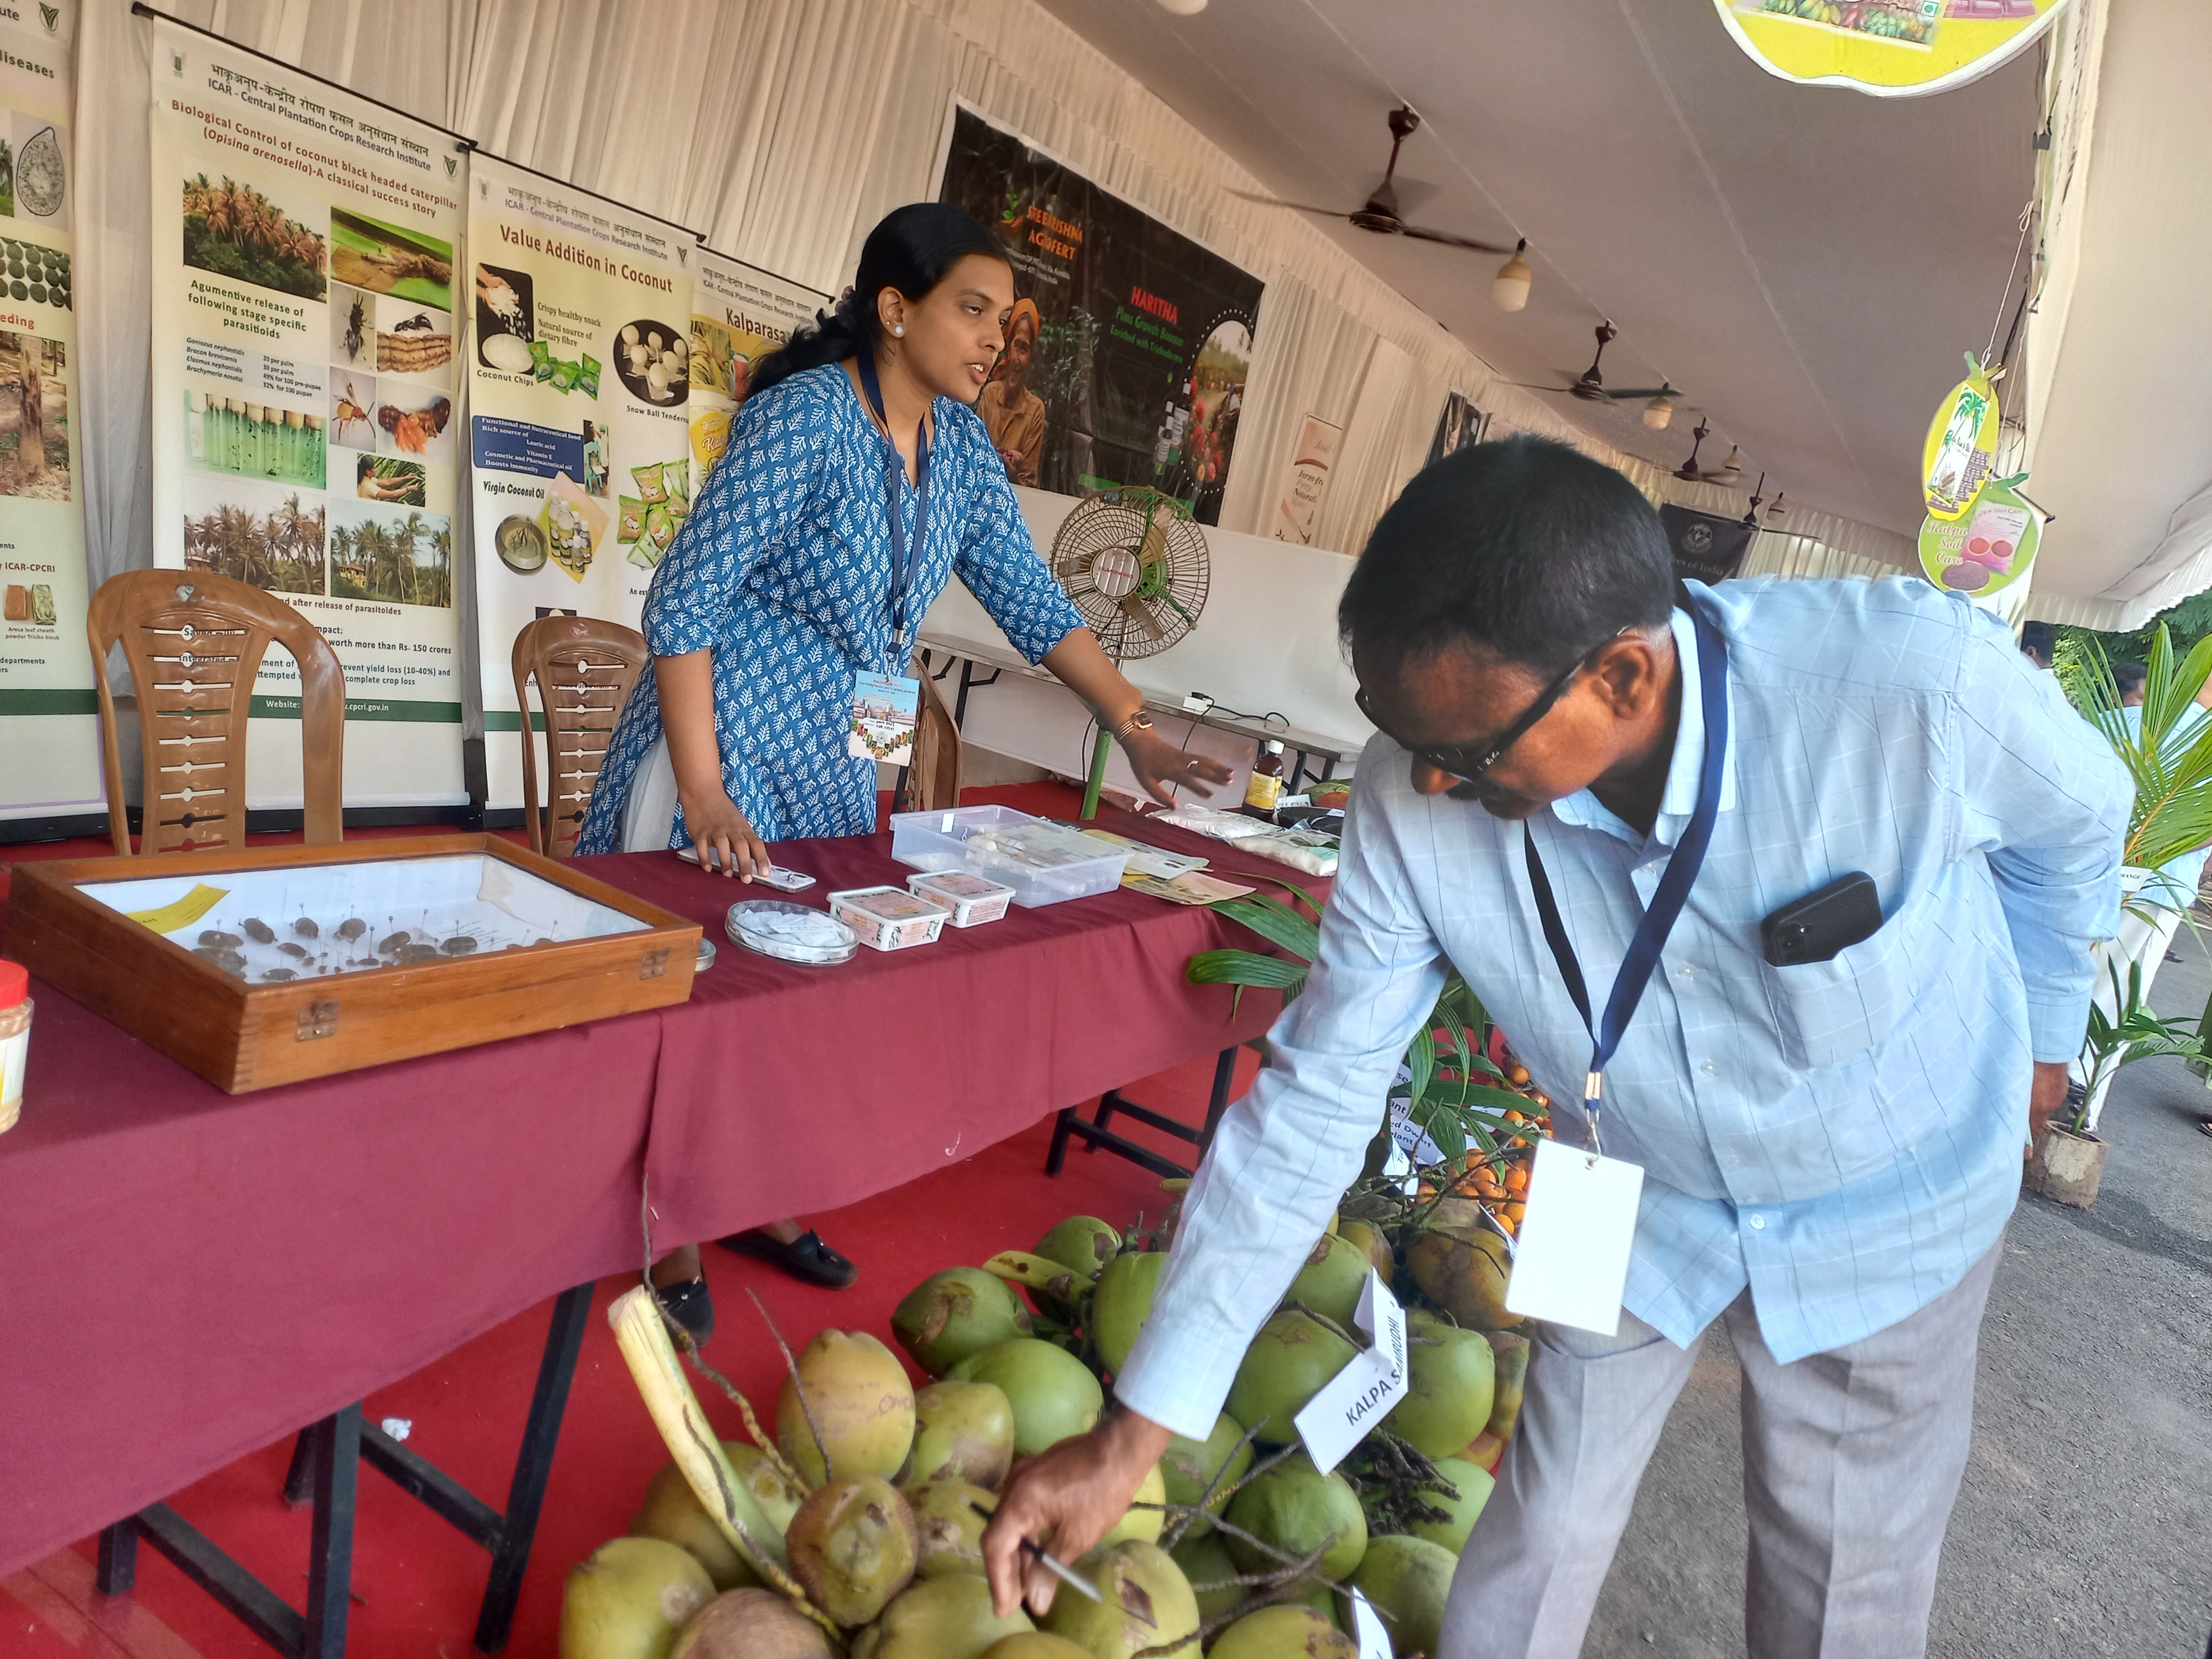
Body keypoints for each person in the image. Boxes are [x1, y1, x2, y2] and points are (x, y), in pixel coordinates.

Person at [983, 438, 2130, 1657]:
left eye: (1471, 752)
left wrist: (2043, 1053)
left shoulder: (1906, 688)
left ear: (1622, 678)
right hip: (1625, 1189)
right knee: (1530, 1543)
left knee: (1841, 1591)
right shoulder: (1407, 800)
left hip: (1886, 1201)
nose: (1427, 781)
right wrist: (1134, 1434)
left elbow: (2082, 819)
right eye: (1398, 729)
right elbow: (1313, 1102)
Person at [576, 204, 1232, 1339]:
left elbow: (1028, 597)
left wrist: (1130, 722)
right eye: (970, 311)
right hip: (730, 728)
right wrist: (700, 786)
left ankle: (757, 1195)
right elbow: (682, 601)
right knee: (693, 988)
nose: (994, 340)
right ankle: (663, 1224)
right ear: (894, 309)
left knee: (807, 975)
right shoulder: (803, 419)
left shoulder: (964, 450)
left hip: (849, 738)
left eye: (1003, 321)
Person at [974, 296, 1046, 486]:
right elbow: (971, 455)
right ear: (1008, 347)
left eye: (1025, 350)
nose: (1017, 359)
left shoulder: (1035, 410)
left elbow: (1029, 485)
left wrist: (1012, 473)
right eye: (1016, 346)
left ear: (1031, 357)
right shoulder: (991, 393)